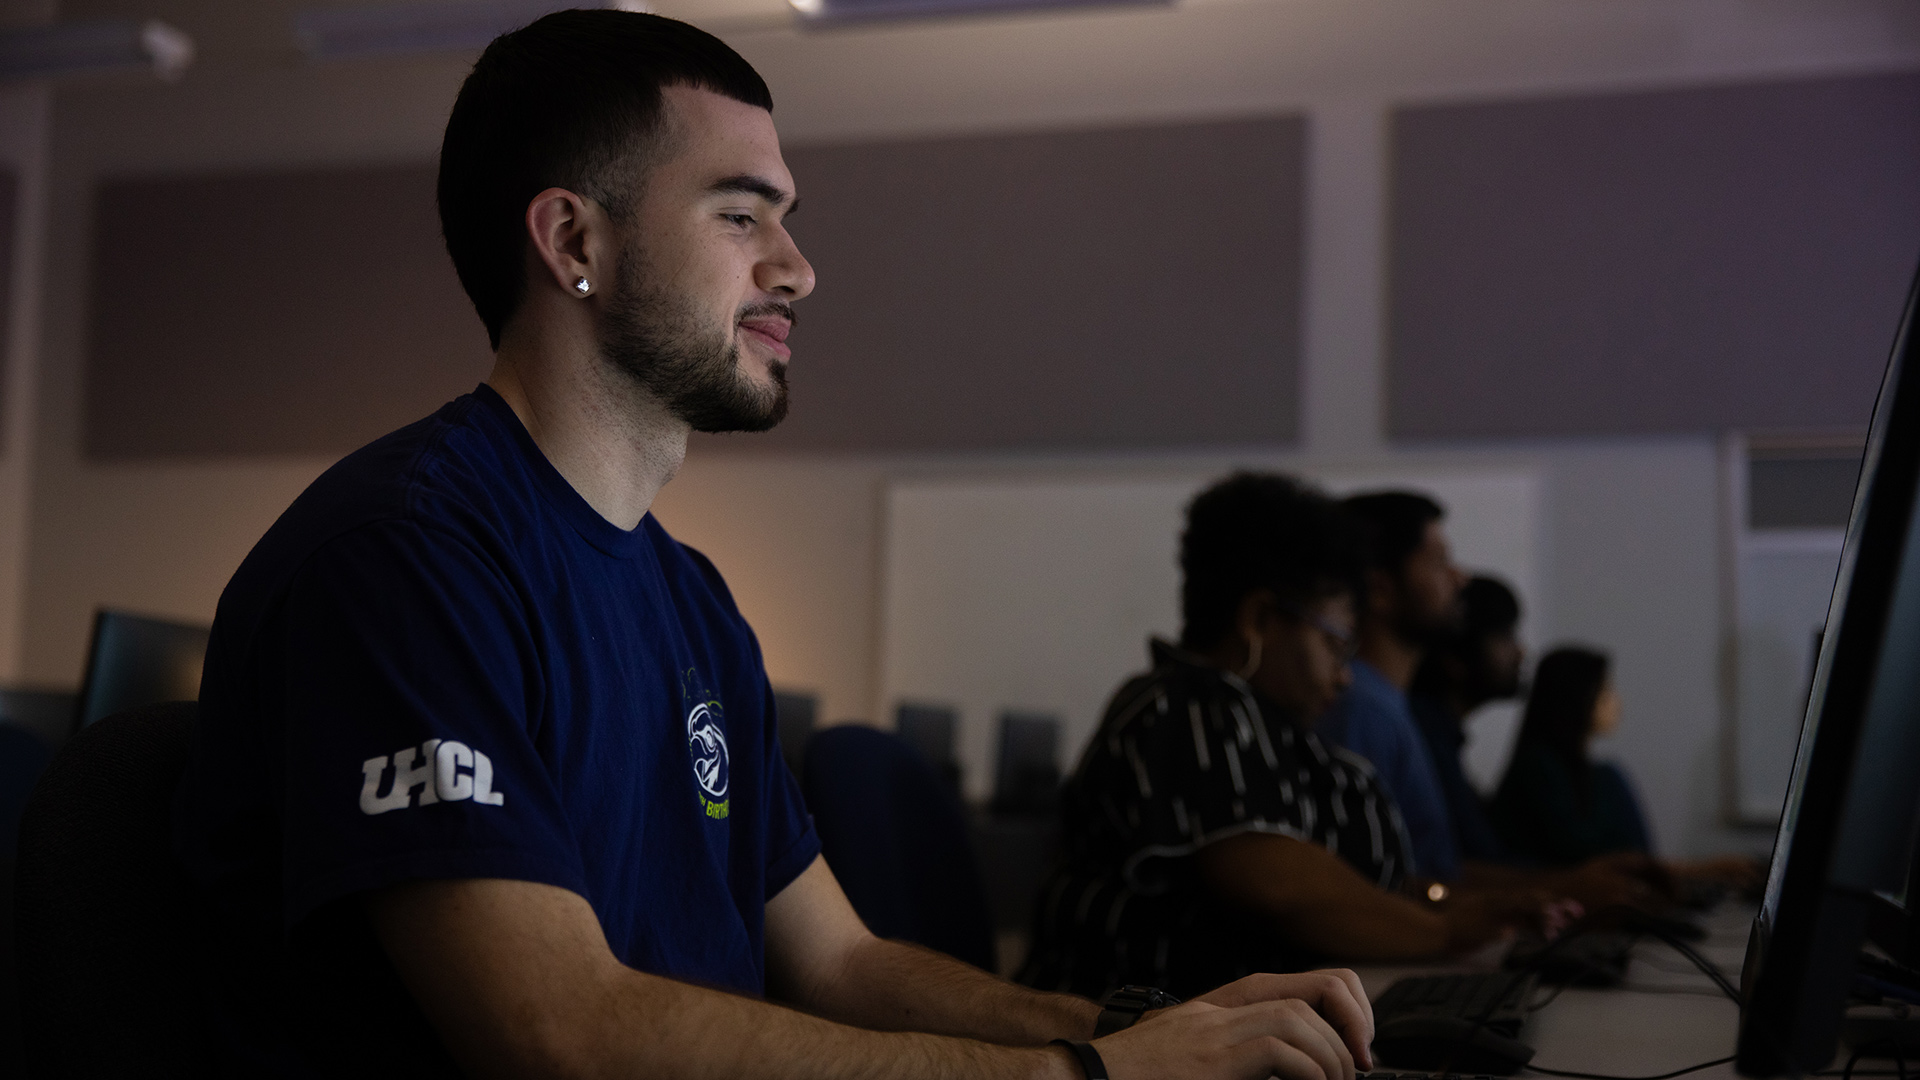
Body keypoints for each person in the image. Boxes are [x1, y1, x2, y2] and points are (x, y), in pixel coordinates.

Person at [170, 12, 1378, 1079]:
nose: (797, 269)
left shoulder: (688, 597)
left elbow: (838, 963)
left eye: (783, 222)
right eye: (741, 214)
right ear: (573, 243)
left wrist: (1125, 1032)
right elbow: (558, 1033)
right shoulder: (407, 558)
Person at [1021, 473, 1549, 1000]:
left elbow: (1359, 885)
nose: (1344, 675)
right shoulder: (1185, 707)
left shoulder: (1266, 728)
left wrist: (1468, 906)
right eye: (1334, 643)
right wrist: (1447, 932)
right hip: (1131, 1044)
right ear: (1259, 619)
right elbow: (1281, 887)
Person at [1315, 492, 1463, 882]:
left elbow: (1432, 869)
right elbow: (1367, 882)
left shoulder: (1385, 702)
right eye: (1438, 562)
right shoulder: (1359, 709)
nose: (1458, 577)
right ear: (1380, 589)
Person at [1488, 648, 1652, 864]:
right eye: (1605, 691)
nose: (1616, 702)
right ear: (1577, 695)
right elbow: (1578, 851)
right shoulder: (1539, 768)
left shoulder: (1589, 775)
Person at [1407, 575, 1524, 864]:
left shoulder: (1440, 733)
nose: (1520, 653)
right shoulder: (1426, 735)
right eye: (1504, 636)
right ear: (1454, 660)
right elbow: (1471, 858)